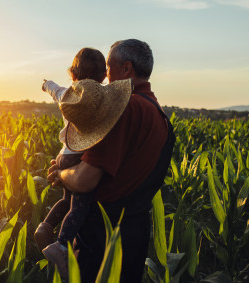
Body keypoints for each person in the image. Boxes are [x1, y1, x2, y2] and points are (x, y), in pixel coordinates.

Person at [47, 39, 175, 282]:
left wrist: (60, 175)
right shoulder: (157, 112)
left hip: (103, 235)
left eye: (108, 66)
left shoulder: (124, 108)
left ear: (126, 69)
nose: (104, 75)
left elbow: (85, 180)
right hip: (134, 233)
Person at [34, 48, 132, 279]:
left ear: (74, 73)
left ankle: (45, 227)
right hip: (79, 156)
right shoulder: (100, 98)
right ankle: (60, 245)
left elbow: (54, 90)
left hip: (63, 154)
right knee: (79, 207)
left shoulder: (67, 94)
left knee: (65, 201)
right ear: (102, 76)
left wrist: (46, 83)